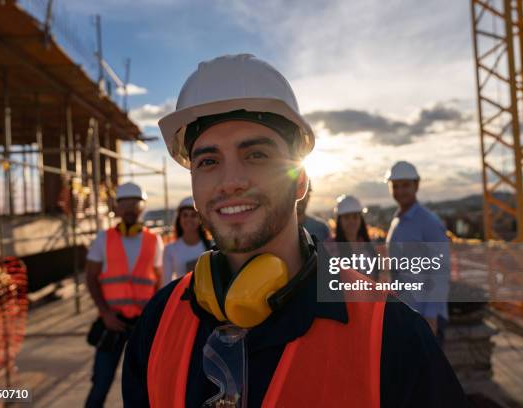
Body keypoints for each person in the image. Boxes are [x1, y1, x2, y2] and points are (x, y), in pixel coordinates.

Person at [122, 54, 466, 407]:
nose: (230, 182)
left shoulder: (390, 334)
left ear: (300, 179)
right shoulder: (158, 325)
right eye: (208, 161)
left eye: (256, 155)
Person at [84, 182, 163, 408]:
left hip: (143, 326)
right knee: (100, 384)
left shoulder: (153, 240)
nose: (129, 208)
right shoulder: (103, 239)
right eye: (124, 203)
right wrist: (105, 313)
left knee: (145, 387)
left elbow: (159, 281)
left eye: (134, 203)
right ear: (117, 208)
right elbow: (91, 277)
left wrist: (153, 317)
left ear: (142, 207)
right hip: (113, 323)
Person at [385, 161, 450, 340]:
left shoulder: (428, 222)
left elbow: (440, 270)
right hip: (407, 311)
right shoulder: (397, 221)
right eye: (395, 186)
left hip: (425, 316)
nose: (400, 191)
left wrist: (430, 316)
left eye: (405, 185)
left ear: (416, 185)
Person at [162, 196, 211, 286]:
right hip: (182, 299)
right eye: (185, 215)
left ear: (200, 219)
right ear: (179, 219)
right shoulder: (170, 249)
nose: (189, 219)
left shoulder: (212, 247)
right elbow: (166, 283)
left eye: (193, 215)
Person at [332, 194, 379, 279]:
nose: (351, 221)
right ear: (340, 220)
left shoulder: (370, 245)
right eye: (346, 217)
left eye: (355, 217)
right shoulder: (330, 248)